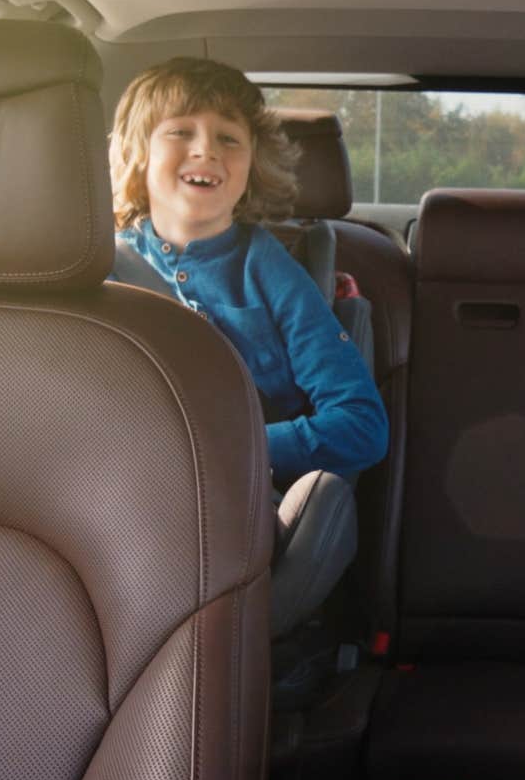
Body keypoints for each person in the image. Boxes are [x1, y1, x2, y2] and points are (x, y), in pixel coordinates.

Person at [109, 56, 388, 484]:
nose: (206, 149)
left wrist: (228, 451)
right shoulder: (102, 267)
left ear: (253, 165)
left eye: (229, 138)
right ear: (138, 153)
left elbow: (362, 426)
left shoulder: (271, 272)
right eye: (181, 131)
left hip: (238, 499)